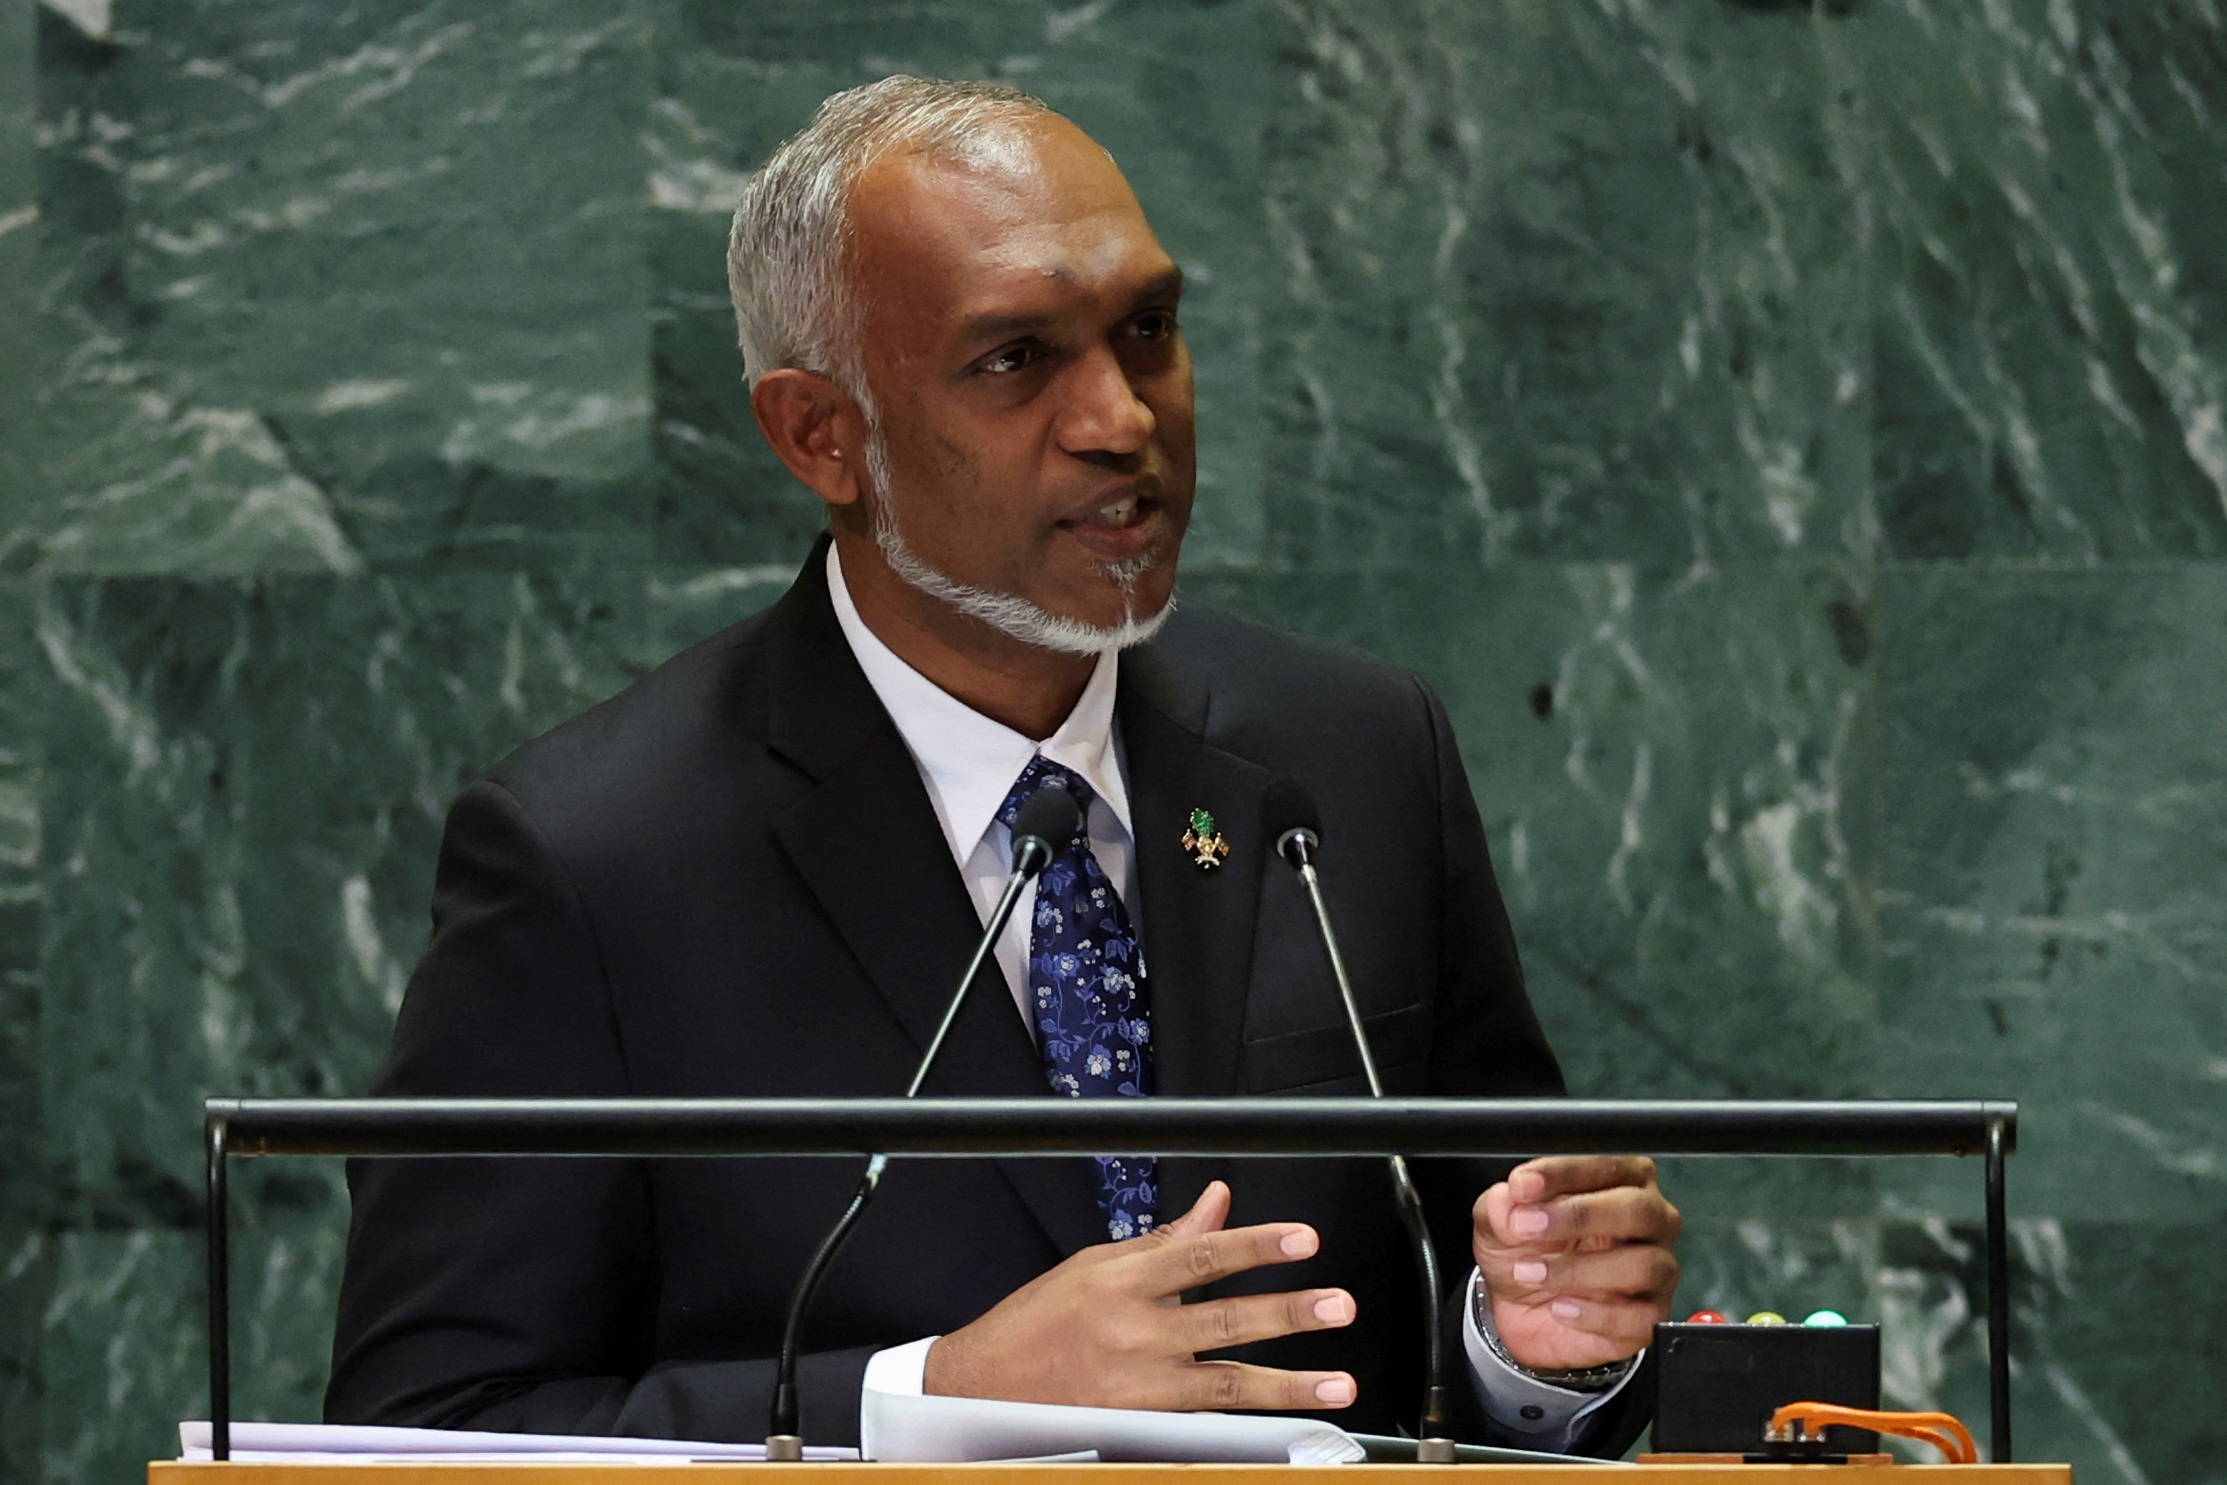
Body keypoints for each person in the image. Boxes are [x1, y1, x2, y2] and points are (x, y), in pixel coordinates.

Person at [326, 76, 1682, 1455]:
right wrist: (935, 1393)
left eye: (1147, 329)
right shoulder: (592, 858)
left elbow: (1497, 1291)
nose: (1119, 417)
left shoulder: (1355, 755)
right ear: (820, 434)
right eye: (1012, 359)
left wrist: (1535, 1352)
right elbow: (430, 1426)